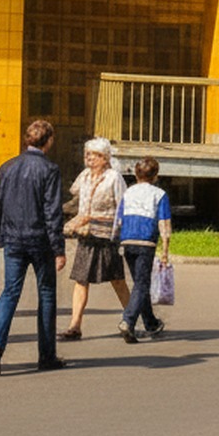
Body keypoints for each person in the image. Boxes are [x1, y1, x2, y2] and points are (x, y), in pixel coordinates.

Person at [0, 118, 66, 374]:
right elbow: (52, 211)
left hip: (13, 239)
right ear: (49, 141)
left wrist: (0, 235)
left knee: (9, 293)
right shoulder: (49, 169)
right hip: (39, 239)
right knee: (46, 294)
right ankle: (46, 355)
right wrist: (59, 248)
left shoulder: (7, 167)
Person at [59, 137, 130, 341]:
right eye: (87, 154)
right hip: (87, 235)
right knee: (81, 279)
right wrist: (72, 222)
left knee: (117, 279)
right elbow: (78, 202)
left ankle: (132, 318)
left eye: (94, 155)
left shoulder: (114, 178)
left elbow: (122, 207)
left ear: (105, 158)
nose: (89, 158)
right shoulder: (85, 177)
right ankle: (75, 325)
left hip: (107, 235)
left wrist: (118, 231)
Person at [115, 156, 171, 343]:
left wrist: (115, 239)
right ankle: (128, 321)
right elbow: (164, 222)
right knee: (141, 283)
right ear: (155, 175)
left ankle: (151, 322)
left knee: (140, 282)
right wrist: (165, 250)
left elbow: (119, 218)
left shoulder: (128, 192)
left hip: (127, 240)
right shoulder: (159, 194)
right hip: (145, 242)